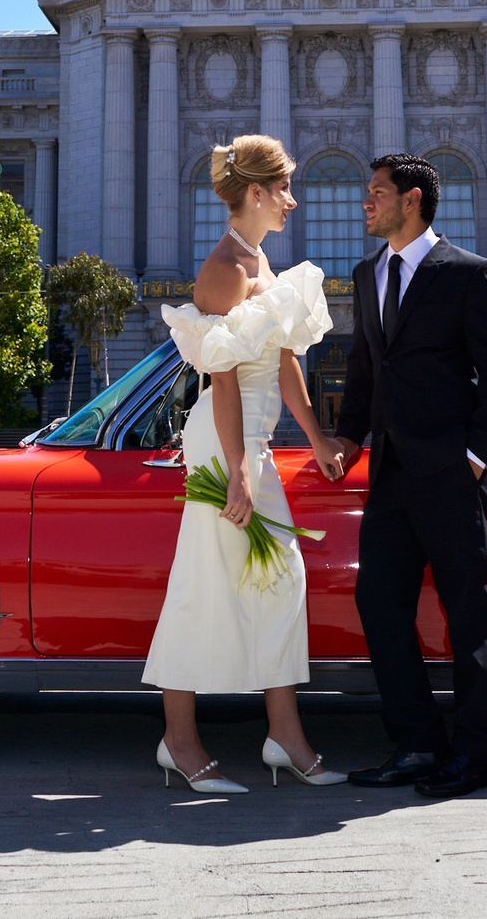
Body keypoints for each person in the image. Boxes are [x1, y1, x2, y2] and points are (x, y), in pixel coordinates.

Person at [142, 134, 348, 794]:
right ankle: (180, 739)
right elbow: (224, 382)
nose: (292, 198)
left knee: (280, 581)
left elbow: (286, 361)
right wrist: (236, 469)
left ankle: (283, 737)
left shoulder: (261, 259)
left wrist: (317, 437)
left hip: (249, 445)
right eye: (283, 187)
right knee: (205, 585)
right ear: (255, 192)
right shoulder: (223, 268)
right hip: (223, 442)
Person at [316, 151, 487, 799]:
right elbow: (366, 368)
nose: (365, 202)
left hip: (452, 470)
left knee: (468, 612)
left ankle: (473, 754)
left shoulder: (467, 272)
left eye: (376, 192)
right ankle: (416, 742)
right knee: (379, 603)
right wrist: (349, 436)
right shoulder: (367, 271)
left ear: (413, 199)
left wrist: (478, 454)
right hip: (392, 472)